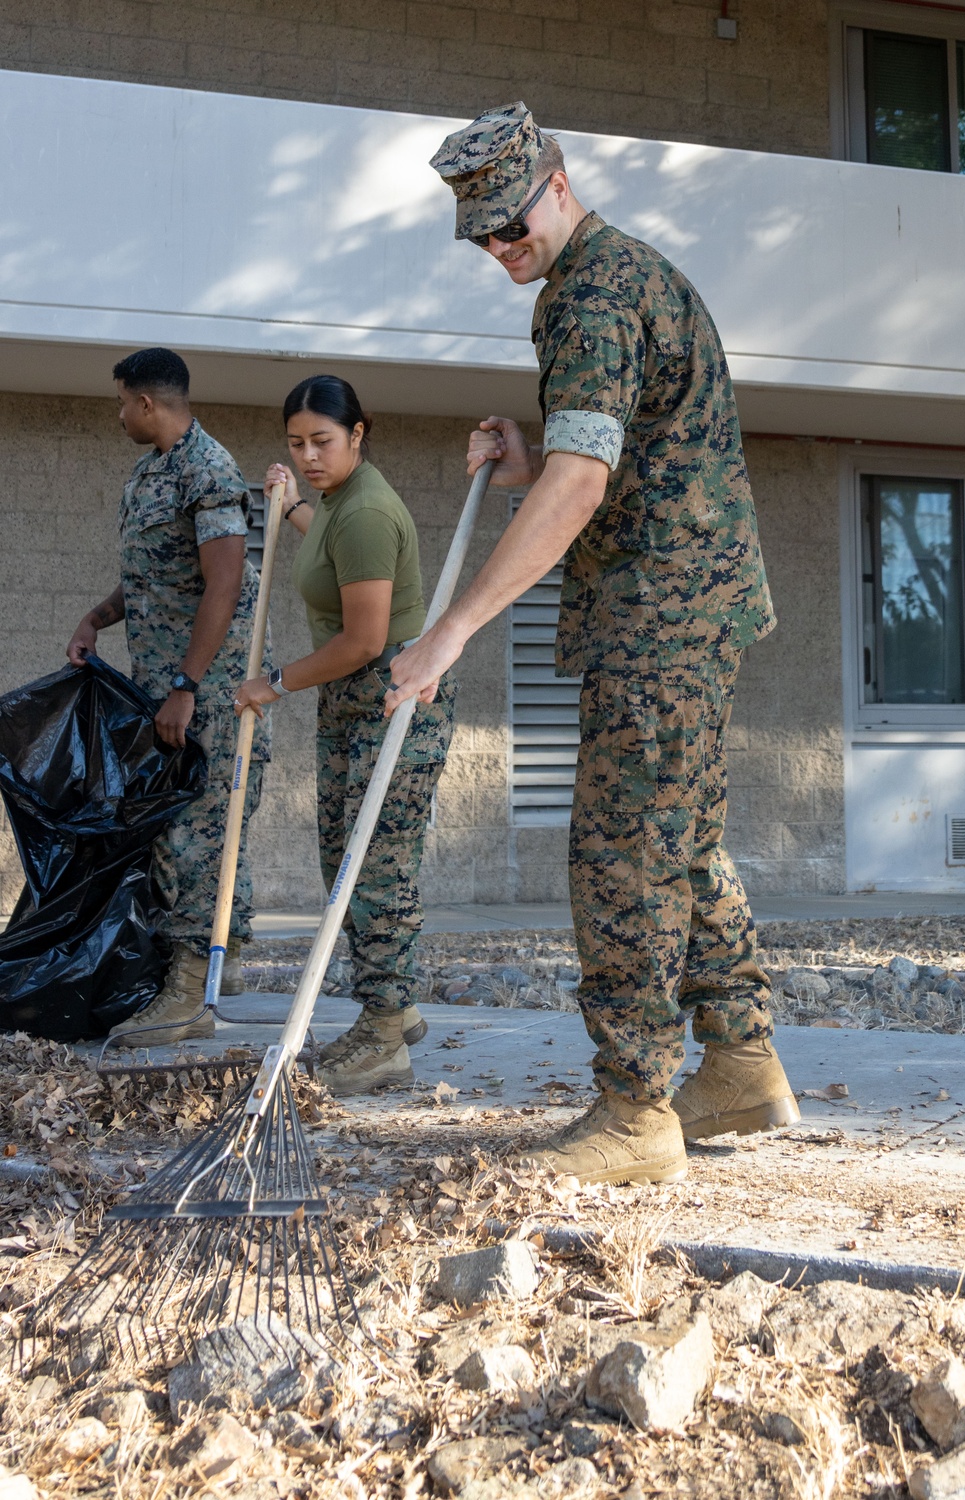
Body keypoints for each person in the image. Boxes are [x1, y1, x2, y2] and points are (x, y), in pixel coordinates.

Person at [384, 102, 800, 1185]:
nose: (499, 249)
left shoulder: (592, 295)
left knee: (621, 851)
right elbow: (616, 451)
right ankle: (741, 1066)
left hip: (658, 614)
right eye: (480, 237)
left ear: (557, 183)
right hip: (687, 601)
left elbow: (583, 484)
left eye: (510, 227)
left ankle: (634, 1110)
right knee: (681, 836)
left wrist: (448, 632)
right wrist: (531, 463)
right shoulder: (624, 278)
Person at [234, 375, 454, 1094]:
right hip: (351, 707)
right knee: (344, 862)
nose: (308, 455)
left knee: (375, 869)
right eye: (296, 443)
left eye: (322, 441)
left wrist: (275, 682)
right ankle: (396, 1006)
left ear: (359, 434)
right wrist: (292, 505)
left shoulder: (365, 511)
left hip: (392, 704)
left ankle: (386, 1034)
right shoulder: (332, 503)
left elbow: (362, 640)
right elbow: (329, 554)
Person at [67, 347, 269, 1043]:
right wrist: (97, 617)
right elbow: (154, 572)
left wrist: (186, 685)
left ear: (146, 402)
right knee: (182, 832)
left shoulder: (208, 471)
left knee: (196, 837)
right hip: (166, 689)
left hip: (208, 691)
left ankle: (189, 996)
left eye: (123, 401)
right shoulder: (152, 472)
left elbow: (224, 581)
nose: (120, 413)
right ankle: (204, 967)